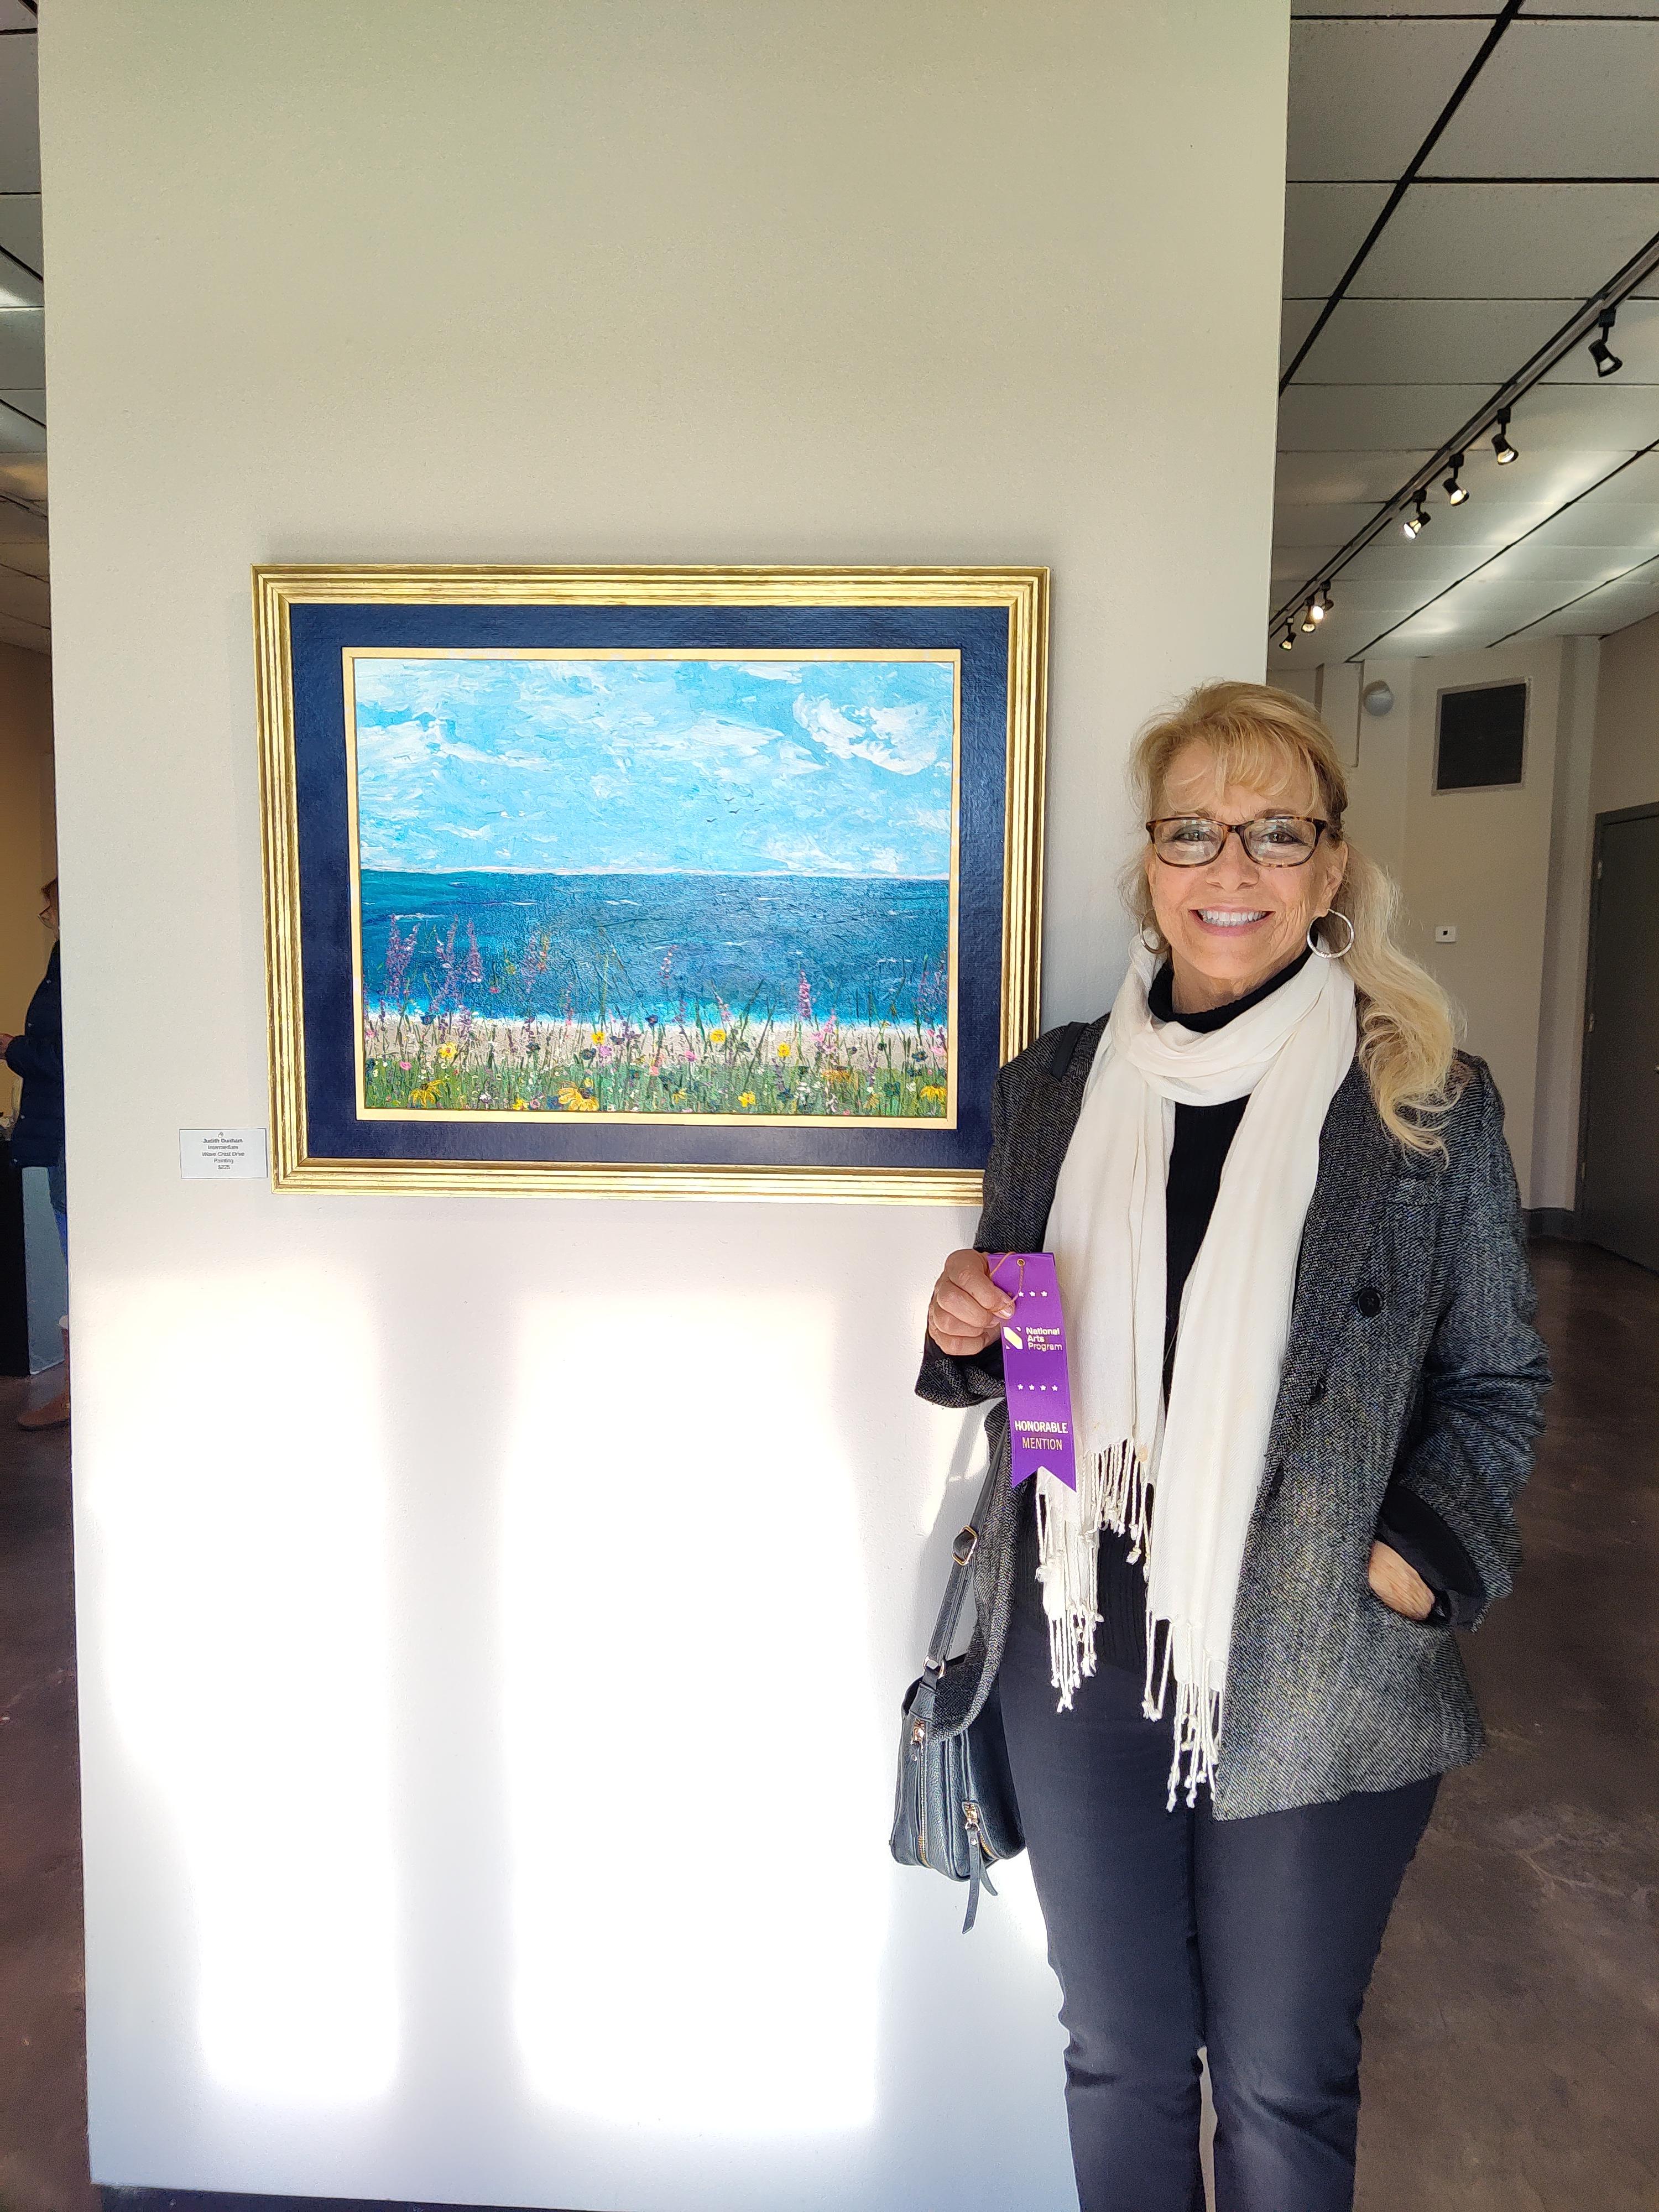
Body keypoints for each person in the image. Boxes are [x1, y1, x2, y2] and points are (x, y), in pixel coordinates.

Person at [917, 682, 1548, 2212]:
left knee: (1277, 2074)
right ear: (1152, 866)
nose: (1232, 871)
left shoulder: (1423, 1102)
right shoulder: (1056, 1087)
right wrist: (960, 1332)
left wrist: (1405, 1568)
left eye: (1276, 834)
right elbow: (1025, 1339)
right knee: (1121, 2053)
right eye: (1194, 832)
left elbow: (1500, 1381)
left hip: (1319, 1656)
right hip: (1080, 1641)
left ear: (1330, 872)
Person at [2, 878, 68, 1431]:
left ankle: (77, 1395)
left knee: (81, 1267)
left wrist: (14, 1049)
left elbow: (75, 1053)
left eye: (50, 902)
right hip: (65, 1134)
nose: (44, 913)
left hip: (72, 1137)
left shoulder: (75, 958)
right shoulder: (65, 956)